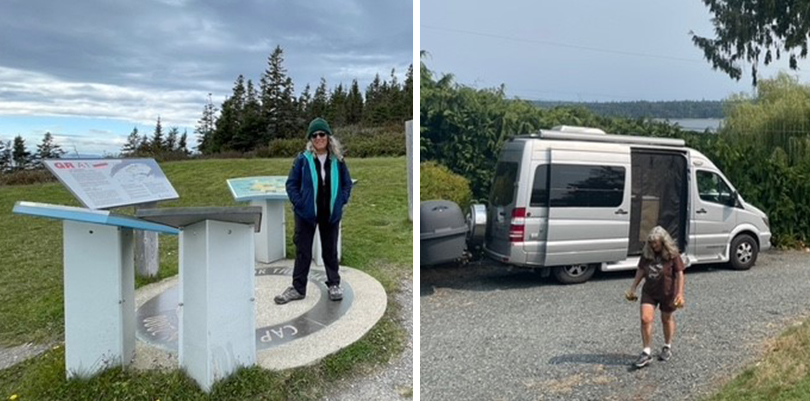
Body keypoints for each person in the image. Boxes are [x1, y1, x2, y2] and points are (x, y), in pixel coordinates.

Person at [275, 117, 352, 304]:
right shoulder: (302, 160)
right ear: (311, 139)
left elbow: (346, 184)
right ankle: (298, 288)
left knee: (330, 251)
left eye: (322, 134)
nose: (318, 138)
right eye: (314, 135)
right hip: (306, 215)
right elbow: (291, 184)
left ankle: (334, 284)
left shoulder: (338, 161)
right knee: (303, 252)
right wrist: (300, 204)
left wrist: (340, 201)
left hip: (330, 214)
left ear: (328, 137)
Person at [626, 226, 685, 368]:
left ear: (663, 242)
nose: (653, 246)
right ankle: (646, 352)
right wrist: (633, 286)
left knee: (666, 318)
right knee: (645, 319)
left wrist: (679, 293)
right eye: (651, 243)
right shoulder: (647, 254)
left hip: (667, 291)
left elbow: (680, 274)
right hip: (650, 291)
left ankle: (667, 346)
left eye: (656, 243)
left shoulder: (673, 254)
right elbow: (641, 270)